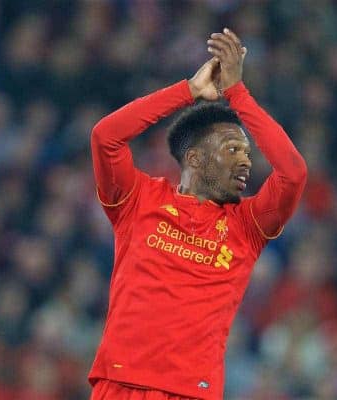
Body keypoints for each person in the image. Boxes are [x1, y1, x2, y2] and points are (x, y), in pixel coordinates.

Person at [88, 28, 307, 400]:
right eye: (232, 149)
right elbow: (105, 137)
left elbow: (293, 172)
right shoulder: (138, 200)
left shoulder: (247, 226)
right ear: (194, 158)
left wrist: (239, 94)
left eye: (247, 153)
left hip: (192, 392)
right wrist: (187, 91)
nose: (245, 161)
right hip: (121, 383)